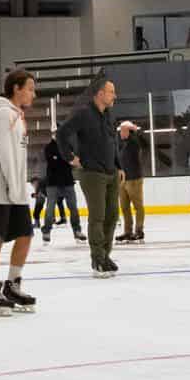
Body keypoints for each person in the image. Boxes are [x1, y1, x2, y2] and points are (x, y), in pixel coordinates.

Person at [0, 69, 38, 316]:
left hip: (14, 187)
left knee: (25, 234)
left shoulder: (16, 116)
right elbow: (4, 152)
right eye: (30, 88)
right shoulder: (3, 115)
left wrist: (20, 186)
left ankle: (13, 285)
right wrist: (13, 185)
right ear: (16, 88)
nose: (34, 93)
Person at [57, 76, 123, 278]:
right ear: (100, 94)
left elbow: (113, 143)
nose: (115, 96)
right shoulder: (84, 114)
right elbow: (62, 133)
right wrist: (70, 157)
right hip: (92, 173)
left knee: (112, 216)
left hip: (111, 172)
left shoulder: (109, 115)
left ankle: (105, 255)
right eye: (111, 92)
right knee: (98, 217)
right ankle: (97, 259)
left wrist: (119, 166)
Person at [42, 132, 87, 245]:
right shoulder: (49, 148)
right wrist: (67, 160)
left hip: (67, 181)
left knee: (73, 207)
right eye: (55, 134)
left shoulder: (68, 146)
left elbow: (73, 162)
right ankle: (46, 231)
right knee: (50, 208)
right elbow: (54, 163)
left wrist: (66, 160)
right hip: (53, 183)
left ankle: (77, 231)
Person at [116, 121, 147, 243]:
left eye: (124, 130)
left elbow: (144, 142)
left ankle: (139, 231)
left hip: (134, 179)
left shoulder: (134, 143)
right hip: (123, 181)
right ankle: (127, 231)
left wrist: (136, 130)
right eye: (121, 131)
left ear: (130, 132)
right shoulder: (122, 144)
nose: (121, 133)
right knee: (124, 207)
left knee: (138, 206)